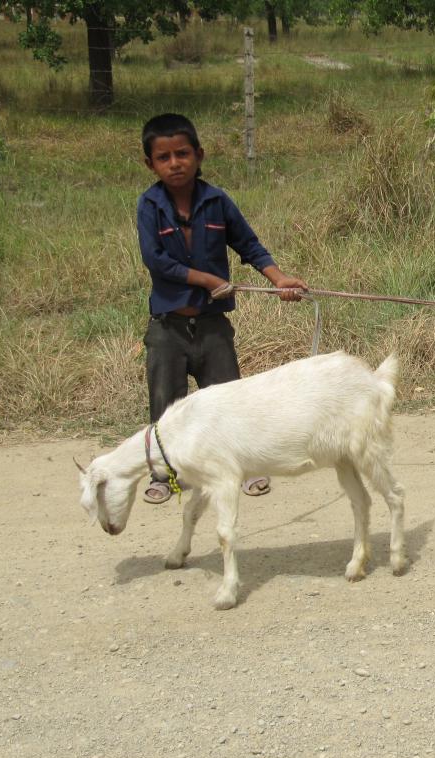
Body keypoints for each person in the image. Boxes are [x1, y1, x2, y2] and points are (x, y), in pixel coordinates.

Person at [136, 113, 307, 504]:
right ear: (150, 164)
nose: (174, 163)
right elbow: (157, 261)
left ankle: (244, 468)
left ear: (199, 155)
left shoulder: (217, 202)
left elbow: (249, 245)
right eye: (164, 157)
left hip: (212, 326)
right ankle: (165, 475)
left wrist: (278, 279)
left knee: (229, 400)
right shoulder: (149, 206)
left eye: (182, 153)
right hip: (168, 328)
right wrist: (208, 280)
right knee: (166, 403)